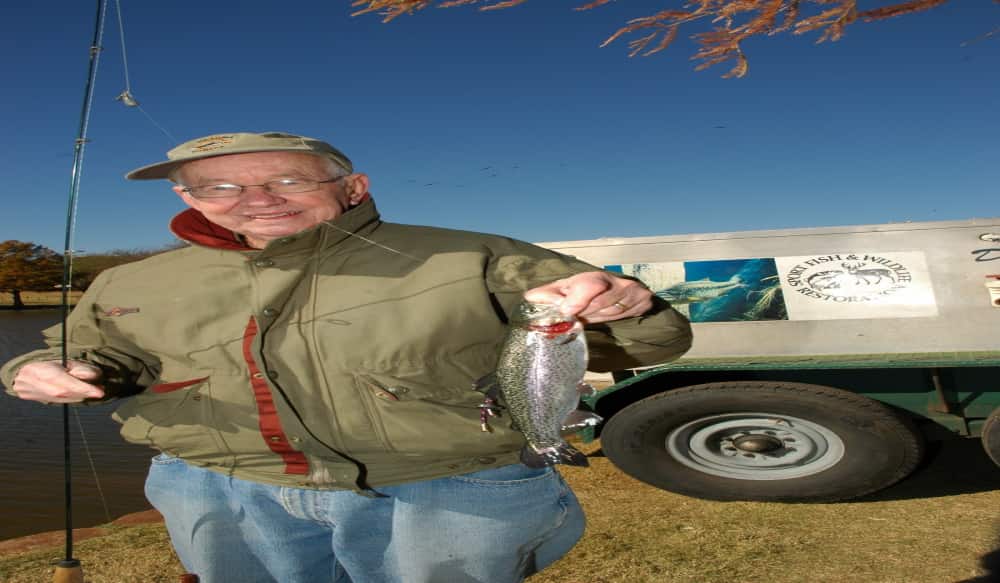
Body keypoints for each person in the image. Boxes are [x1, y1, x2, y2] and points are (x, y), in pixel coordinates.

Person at [2, 131, 692, 583]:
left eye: (288, 181)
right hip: (215, 484)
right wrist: (46, 370)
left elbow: (653, 341)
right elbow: (91, 351)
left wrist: (628, 306)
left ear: (352, 188)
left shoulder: (478, 253)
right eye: (220, 187)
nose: (255, 199)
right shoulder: (131, 280)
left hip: (448, 486)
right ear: (187, 198)